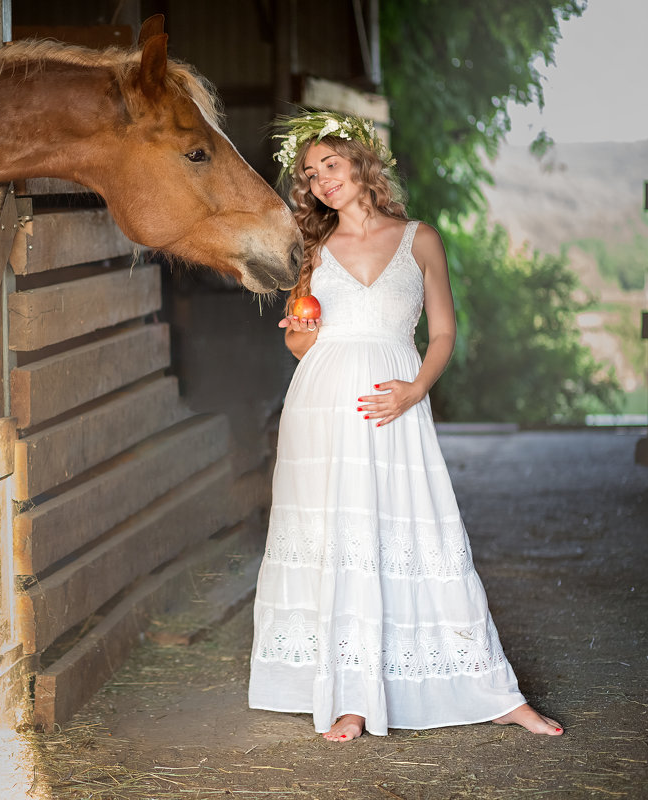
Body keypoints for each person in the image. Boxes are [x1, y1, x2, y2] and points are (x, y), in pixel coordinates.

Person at [247, 111, 562, 742]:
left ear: (361, 162)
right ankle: (351, 698)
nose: (319, 181)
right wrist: (300, 336)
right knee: (338, 538)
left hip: (396, 404)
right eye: (309, 174)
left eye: (329, 165)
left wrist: (415, 390)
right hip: (322, 408)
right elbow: (303, 348)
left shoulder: (420, 239)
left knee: (422, 538)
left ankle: (492, 691)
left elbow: (442, 334)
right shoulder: (311, 250)